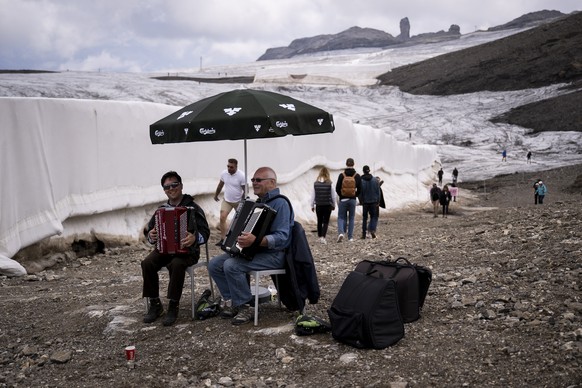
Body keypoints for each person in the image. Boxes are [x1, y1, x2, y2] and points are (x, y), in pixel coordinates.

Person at [208, 167, 293, 325]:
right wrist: (233, 235)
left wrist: (256, 241)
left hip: (275, 255)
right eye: (253, 180)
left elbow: (282, 237)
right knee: (214, 264)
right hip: (255, 252)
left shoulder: (281, 203)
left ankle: (245, 306)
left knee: (231, 265)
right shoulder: (257, 203)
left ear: (272, 182)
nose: (254, 182)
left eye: (258, 180)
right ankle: (233, 301)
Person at [142, 171, 210, 326]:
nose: (171, 189)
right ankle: (155, 304)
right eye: (167, 187)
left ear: (181, 186)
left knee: (177, 264)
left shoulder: (192, 207)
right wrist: (151, 236)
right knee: (147, 263)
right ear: (164, 190)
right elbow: (149, 231)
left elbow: (205, 233)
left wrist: (194, 238)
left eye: (174, 185)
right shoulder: (161, 210)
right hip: (164, 250)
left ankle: (173, 305)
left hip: (188, 252)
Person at [213, 158, 246, 246]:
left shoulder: (241, 175)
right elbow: (220, 185)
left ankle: (240, 239)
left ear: (236, 167)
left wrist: (243, 200)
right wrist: (216, 195)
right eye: (228, 166)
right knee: (222, 217)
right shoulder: (224, 173)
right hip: (227, 200)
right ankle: (223, 239)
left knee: (241, 220)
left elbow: (245, 189)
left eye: (231, 167)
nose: (229, 168)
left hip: (238, 201)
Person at [335, 158, 361, 242]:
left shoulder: (342, 175)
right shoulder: (356, 175)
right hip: (352, 200)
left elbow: (337, 188)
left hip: (343, 200)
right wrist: (354, 195)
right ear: (353, 164)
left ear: (346, 164)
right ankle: (350, 237)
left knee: (341, 217)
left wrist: (342, 195)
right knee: (352, 218)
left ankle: (341, 233)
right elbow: (360, 189)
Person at [310, 167, 337, 244]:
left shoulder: (315, 184)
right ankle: (323, 237)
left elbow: (313, 196)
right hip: (327, 205)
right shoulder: (330, 184)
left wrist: (312, 205)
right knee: (325, 221)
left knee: (319, 221)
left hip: (318, 205)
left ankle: (319, 236)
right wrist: (334, 204)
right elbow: (333, 196)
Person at [359, 165, 381, 239]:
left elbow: (360, 193)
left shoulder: (361, 181)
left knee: (365, 218)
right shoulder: (375, 180)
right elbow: (378, 192)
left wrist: (361, 200)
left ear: (363, 171)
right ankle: (372, 230)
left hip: (365, 202)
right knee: (373, 217)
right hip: (374, 201)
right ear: (369, 170)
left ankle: (363, 234)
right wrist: (378, 201)